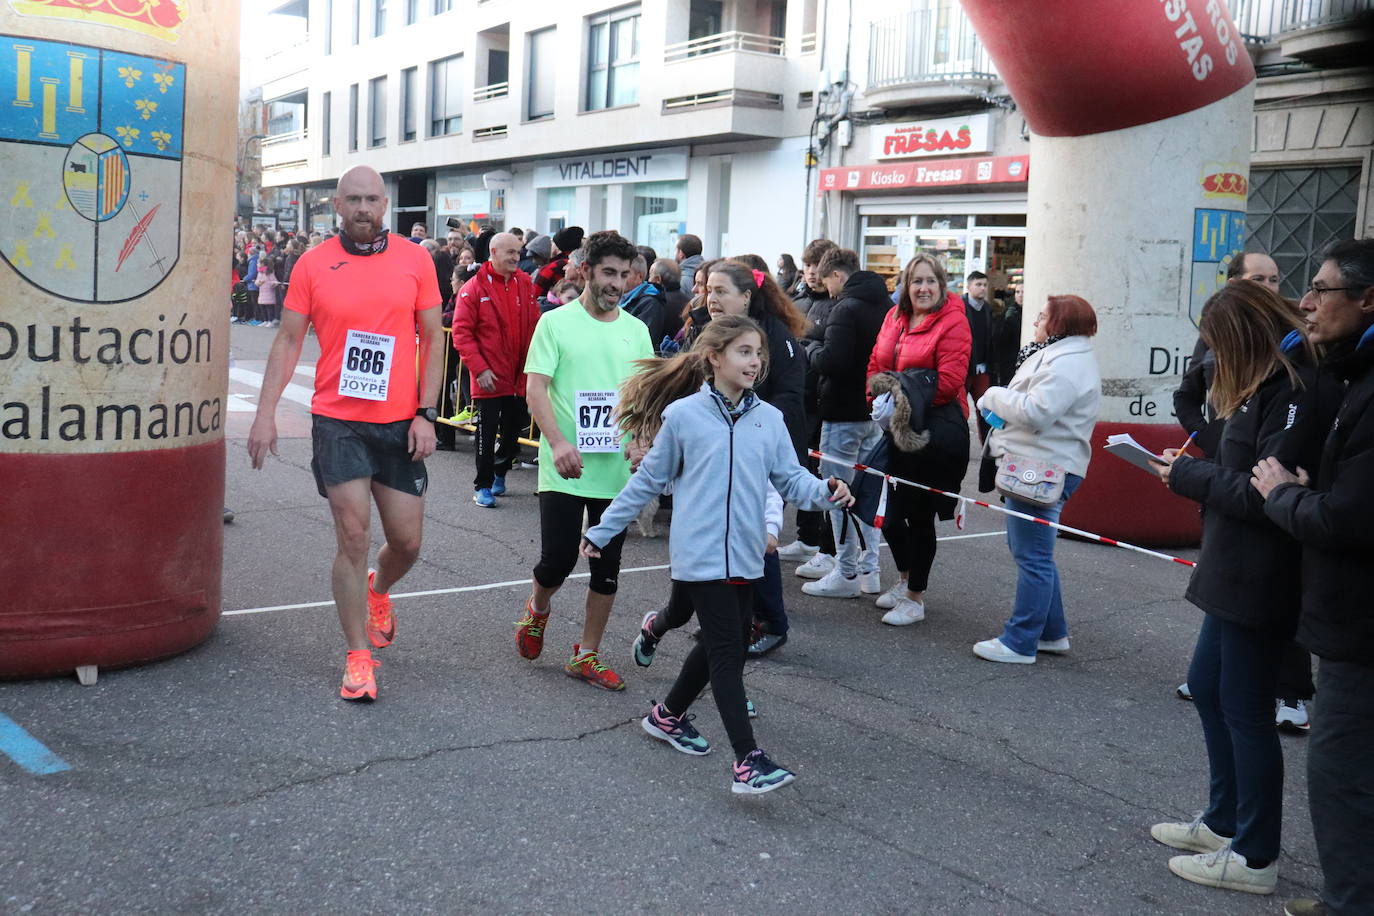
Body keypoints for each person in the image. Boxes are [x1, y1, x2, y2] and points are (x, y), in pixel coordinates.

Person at [580, 314, 854, 793]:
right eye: (745, 352)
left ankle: (667, 716)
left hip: (747, 554)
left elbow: (791, 481)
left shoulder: (769, 420)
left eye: (759, 354)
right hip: (700, 554)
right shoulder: (683, 416)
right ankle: (748, 759)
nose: (755, 362)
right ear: (715, 357)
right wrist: (603, 531)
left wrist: (828, 492)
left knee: (716, 644)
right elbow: (648, 480)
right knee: (729, 649)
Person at [1147, 281, 1327, 897]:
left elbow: (1266, 492)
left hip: (1261, 571)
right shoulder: (1258, 385)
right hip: (1231, 565)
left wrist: (1188, 475)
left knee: (1247, 709)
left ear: (1245, 336)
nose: (1213, 360)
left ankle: (1254, 853)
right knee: (1207, 687)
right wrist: (1195, 465)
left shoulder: (1294, 386)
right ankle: (1222, 820)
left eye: (1219, 347)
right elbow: (1241, 470)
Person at [248, 165, 444, 702]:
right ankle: (358, 655)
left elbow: (433, 337)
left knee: (405, 542)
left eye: (371, 200)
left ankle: (380, 589)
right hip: (338, 420)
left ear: (385, 206)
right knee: (353, 537)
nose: (362, 208)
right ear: (337, 205)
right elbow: (288, 340)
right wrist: (264, 414)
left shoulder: (416, 259)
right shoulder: (313, 264)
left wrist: (427, 413)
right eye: (353, 199)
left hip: (401, 421)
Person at [1252, 238, 1374, 916]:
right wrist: (1311, 488)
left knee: (1340, 772)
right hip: (1349, 618)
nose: (1305, 302)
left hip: (1361, 626)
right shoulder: (1354, 371)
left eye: (1321, 290)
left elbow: (1351, 518)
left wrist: (1286, 496)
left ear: (1366, 300)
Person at [515, 230, 654, 690]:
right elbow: (536, 388)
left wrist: (640, 443)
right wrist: (556, 442)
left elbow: (642, 399)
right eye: (608, 273)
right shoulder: (556, 324)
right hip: (566, 465)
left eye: (624, 274)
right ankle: (538, 610)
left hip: (615, 471)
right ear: (586, 271)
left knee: (607, 570)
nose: (617, 283)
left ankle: (586, 655)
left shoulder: (637, 331)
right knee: (556, 560)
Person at [973, 295, 1100, 659]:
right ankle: (1051, 632)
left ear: (1059, 324)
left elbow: (1036, 412)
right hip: (1041, 464)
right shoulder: (1066, 356)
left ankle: (1020, 640)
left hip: (1043, 467)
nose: (1036, 322)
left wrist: (992, 395)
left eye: (1042, 317)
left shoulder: (1067, 363)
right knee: (1033, 552)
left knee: (1032, 556)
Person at [700, 260, 810, 649]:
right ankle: (731, 618)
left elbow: (791, 401)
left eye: (721, 291)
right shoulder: (709, 329)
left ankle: (772, 624)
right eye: (708, 290)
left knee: (756, 536)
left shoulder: (775, 339)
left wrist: (752, 431)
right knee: (723, 534)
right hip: (722, 449)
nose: (711, 298)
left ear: (746, 297)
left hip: (763, 452)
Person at [866, 254, 971, 625]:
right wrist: (875, 398)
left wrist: (900, 404)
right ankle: (905, 578)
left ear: (942, 286)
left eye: (931, 281)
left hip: (933, 431)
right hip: (893, 427)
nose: (923, 288)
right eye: (916, 282)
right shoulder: (894, 317)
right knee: (891, 518)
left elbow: (950, 381)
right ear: (906, 287)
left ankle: (915, 597)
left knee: (919, 515)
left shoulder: (953, 320)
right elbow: (876, 363)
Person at [802, 246, 888, 601]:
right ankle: (871, 569)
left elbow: (832, 362)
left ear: (837, 275)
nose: (828, 290)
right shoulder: (887, 305)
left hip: (841, 411)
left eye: (828, 282)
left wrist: (808, 349)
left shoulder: (845, 308)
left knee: (838, 492)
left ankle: (846, 570)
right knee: (868, 494)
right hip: (874, 411)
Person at [451, 232, 540, 508]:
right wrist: (479, 370)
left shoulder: (525, 282)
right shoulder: (473, 288)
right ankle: (484, 484)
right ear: (493, 252)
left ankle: (500, 473)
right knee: (486, 435)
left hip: (519, 376)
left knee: (512, 433)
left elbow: (535, 324)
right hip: (488, 378)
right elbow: (461, 333)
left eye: (518, 252)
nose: (517, 257)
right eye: (511, 252)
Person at [782, 238, 841, 575]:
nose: (812, 274)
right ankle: (806, 536)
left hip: (821, 399)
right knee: (801, 466)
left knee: (824, 473)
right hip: (798, 398)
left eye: (817, 268)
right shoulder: (797, 299)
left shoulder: (837, 305)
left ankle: (826, 547)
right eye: (807, 267)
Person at [964, 271, 995, 443]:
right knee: (959, 410)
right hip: (964, 367)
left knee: (986, 410)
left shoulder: (988, 309)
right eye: (978, 284)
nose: (982, 288)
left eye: (984, 285)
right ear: (969, 286)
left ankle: (987, 447)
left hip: (982, 368)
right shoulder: (959, 307)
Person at [620, 253, 672, 351]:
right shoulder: (620, 297)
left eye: (625, 274)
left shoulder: (651, 304)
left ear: (639, 277)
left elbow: (641, 341)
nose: (619, 278)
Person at [533, 226, 585, 298]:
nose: (564, 268)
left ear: (557, 247)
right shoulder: (586, 263)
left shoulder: (551, 268)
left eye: (552, 243)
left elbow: (534, 296)